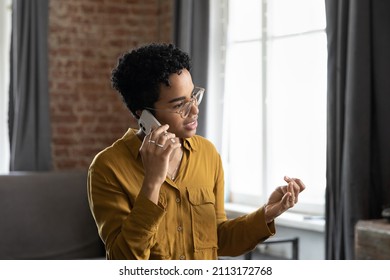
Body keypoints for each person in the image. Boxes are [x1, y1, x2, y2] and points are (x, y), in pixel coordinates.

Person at [87, 43, 305, 260]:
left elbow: (219, 239)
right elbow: (124, 260)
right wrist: (152, 183)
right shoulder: (107, 168)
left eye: (193, 96)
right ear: (144, 116)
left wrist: (268, 212)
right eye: (179, 105)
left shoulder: (207, 154)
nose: (194, 109)